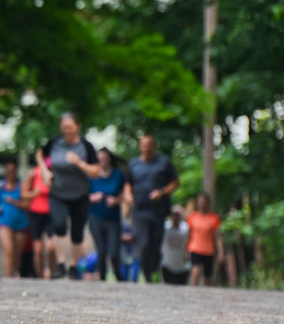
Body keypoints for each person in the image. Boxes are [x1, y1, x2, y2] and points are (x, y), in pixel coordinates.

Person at [36, 113, 100, 279]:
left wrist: (79, 163)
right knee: (59, 225)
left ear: (77, 127)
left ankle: (73, 267)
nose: (67, 131)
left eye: (70, 127)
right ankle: (60, 265)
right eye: (64, 128)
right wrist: (44, 170)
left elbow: (96, 172)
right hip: (58, 193)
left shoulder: (86, 146)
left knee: (77, 232)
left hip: (80, 196)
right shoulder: (55, 142)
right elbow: (40, 154)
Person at [123, 134, 179, 283]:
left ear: (154, 146)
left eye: (149, 145)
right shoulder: (133, 164)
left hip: (158, 211)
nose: (146, 148)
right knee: (144, 243)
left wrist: (162, 192)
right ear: (140, 146)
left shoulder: (164, 162)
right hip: (140, 211)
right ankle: (147, 275)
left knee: (155, 244)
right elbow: (128, 183)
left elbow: (175, 182)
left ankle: (154, 271)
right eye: (144, 145)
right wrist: (128, 195)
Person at [88, 147, 126, 282]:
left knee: (114, 252)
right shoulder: (92, 174)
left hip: (113, 219)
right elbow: (83, 196)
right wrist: (92, 197)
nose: (102, 161)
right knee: (101, 250)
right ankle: (102, 279)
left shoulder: (118, 175)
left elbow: (125, 194)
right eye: (100, 159)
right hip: (96, 217)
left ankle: (118, 275)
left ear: (109, 159)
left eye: (104, 158)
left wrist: (116, 200)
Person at [0, 157, 29, 277]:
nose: (10, 173)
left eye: (13, 171)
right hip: (4, 221)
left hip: (21, 222)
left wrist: (14, 202)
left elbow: (27, 205)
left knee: (17, 252)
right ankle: (8, 276)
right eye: (8, 171)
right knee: (9, 249)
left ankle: (15, 272)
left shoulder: (22, 186)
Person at [22, 153, 57, 279]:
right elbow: (24, 194)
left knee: (51, 247)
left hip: (51, 214)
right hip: (36, 214)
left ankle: (52, 273)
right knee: (37, 249)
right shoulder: (34, 174)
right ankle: (40, 276)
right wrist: (35, 194)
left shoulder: (56, 175)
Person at [187, 193, 224, 286]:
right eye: (200, 202)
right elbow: (188, 234)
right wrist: (185, 249)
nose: (202, 204)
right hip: (195, 248)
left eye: (204, 202)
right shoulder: (192, 217)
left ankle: (206, 296)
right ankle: (192, 292)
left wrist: (221, 252)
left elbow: (218, 237)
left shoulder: (214, 218)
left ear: (208, 203)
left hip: (208, 250)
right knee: (196, 271)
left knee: (208, 277)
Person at [161, 205, 190, 285]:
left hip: (182, 267)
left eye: (178, 215)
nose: (176, 217)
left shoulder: (186, 228)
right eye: (174, 215)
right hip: (167, 265)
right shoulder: (165, 227)